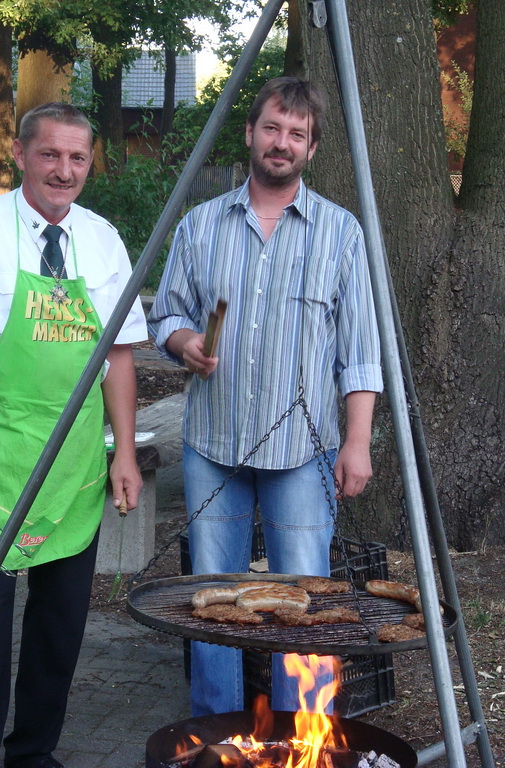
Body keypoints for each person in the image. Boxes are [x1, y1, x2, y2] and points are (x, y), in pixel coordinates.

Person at [0, 102, 147, 768]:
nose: (64, 170)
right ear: (20, 155)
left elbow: (120, 357)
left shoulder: (103, 240)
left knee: (58, 631)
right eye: (50, 155)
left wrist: (124, 452)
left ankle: (34, 755)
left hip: (76, 465)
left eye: (78, 158)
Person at [148, 77, 383, 716]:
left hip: (304, 455)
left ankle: (305, 734)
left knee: (303, 603)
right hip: (213, 446)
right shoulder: (200, 227)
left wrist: (357, 442)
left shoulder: (342, 234)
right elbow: (163, 316)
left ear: (311, 149)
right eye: (273, 128)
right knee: (214, 601)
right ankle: (216, 732)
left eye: (297, 135)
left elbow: (361, 351)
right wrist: (186, 343)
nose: (282, 143)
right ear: (251, 134)